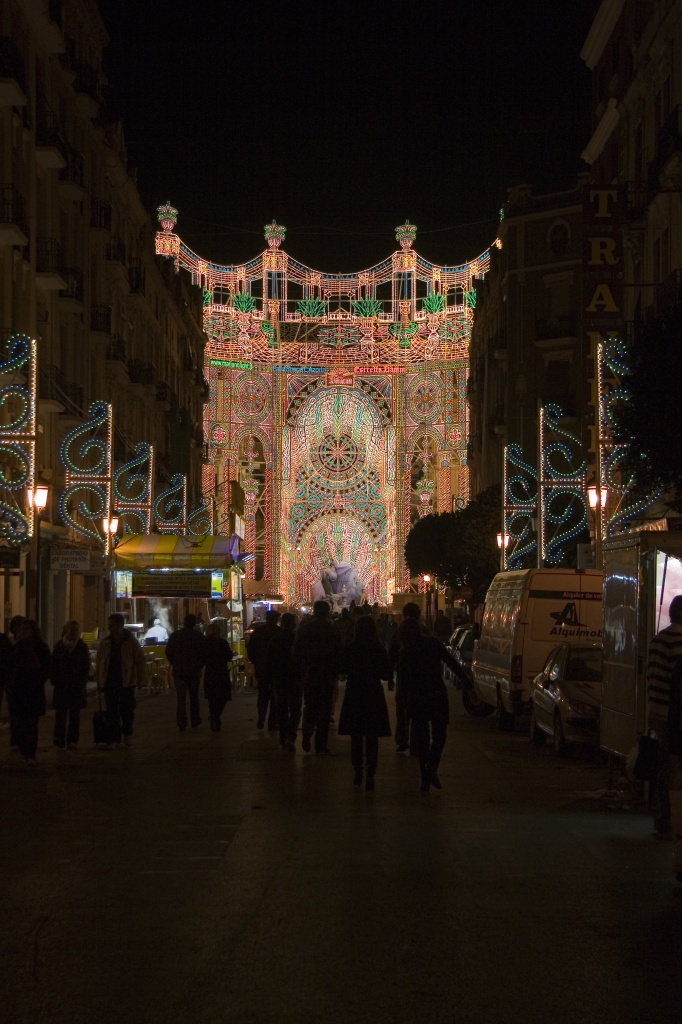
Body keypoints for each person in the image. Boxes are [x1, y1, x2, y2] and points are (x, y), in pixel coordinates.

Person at [397, 616, 458, 791]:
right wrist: (466, 681)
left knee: (422, 739)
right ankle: (431, 767)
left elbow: (403, 682)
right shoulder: (432, 643)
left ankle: (425, 776)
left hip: (417, 699)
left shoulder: (405, 652)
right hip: (437, 695)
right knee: (440, 735)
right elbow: (450, 661)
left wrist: (405, 704)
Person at [337, 616, 391, 791]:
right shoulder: (378, 649)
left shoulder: (351, 648)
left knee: (356, 735)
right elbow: (385, 673)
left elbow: (341, 669)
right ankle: (371, 773)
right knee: (372, 736)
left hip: (355, 692)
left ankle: (358, 770)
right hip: (373, 693)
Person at [646, 595, 682, 839]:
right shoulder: (679, 641)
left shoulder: (658, 640)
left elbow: (652, 677)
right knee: (674, 769)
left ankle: (662, 818)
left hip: (657, 711)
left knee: (663, 767)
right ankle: (672, 820)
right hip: (673, 715)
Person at [292, 600, 340, 753]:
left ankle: (307, 735)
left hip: (310, 674)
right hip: (326, 674)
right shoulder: (332, 630)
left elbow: (297, 653)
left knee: (310, 707)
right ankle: (320, 744)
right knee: (325, 710)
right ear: (327, 612)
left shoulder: (304, 629)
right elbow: (337, 653)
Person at [95, 613, 147, 747]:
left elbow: (140, 661)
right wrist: (99, 680)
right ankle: (114, 739)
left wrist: (141, 679)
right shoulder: (105, 642)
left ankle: (127, 733)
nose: (109, 628)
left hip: (127, 681)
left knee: (127, 710)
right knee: (112, 711)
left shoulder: (130, 642)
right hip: (110, 680)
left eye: (111, 625)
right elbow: (100, 661)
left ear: (119, 626)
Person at [7, 619, 51, 765]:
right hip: (18, 692)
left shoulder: (40, 647)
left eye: (27, 629)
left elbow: (46, 668)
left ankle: (30, 753)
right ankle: (23, 749)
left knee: (31, 724)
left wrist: (37, 680)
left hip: (33, 691)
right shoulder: (16, 647)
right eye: (22, 629)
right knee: (20, 722)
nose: (23, 632)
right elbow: (9, 668)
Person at [387, 601, 425, 753]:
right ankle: (416, 741)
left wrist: (389, 677)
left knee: (402, 710)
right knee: (418, 711)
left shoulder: (399, 633)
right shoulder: (424, 632)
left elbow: (391, 656)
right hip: (421, 679)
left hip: (403, 678)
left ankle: (402, 740)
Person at [51, 620, 90, 749]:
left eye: (76, 630)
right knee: (60, 713)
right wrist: (55, 679)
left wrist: (82, 681)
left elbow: (86, 666)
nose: (74, 633)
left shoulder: (81, 647)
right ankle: (59, 738)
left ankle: (72, 740)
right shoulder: (59, 646)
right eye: (72, 630)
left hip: (76, 685)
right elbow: (54, 665)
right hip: (62, 685)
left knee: (74, 714)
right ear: (66, 631)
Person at [266, 612, 302, 752]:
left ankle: (283, 736)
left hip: (279, 678)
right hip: (295, 678)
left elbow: (269, 660)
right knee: (295, 709)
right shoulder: (297, 639)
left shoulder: (275, 640)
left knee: (281, 708)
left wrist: (270, 677)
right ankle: (291, 736)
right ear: (293, 624)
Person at [165, 613, 206, 731]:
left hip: (179, 672)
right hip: (194, 672)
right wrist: (199, 666)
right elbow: (204, 654)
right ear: (194, 623)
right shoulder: (199, 636)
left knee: (181, 699)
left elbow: (168, 652)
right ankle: (195, 720)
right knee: (194, 697)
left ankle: (181, 723)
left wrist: (175, 663)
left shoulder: (175, 636)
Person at [246, 609, 281, 730]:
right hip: (276, 668)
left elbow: (250, 649)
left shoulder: (258, 632)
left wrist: (256, 661)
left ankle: (261, 718)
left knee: (263, 694)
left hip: (261, 667)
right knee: (274, 695)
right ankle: (272, 722)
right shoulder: (279, 632)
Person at [203, 621, 233, 731]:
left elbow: (202, 658)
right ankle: (216, 716)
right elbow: (229, 656)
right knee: (223, 696)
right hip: (221, 672)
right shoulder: (223, 643)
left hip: (210, 672)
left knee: (211, 697)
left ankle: (214, 716)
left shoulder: (205, 643)